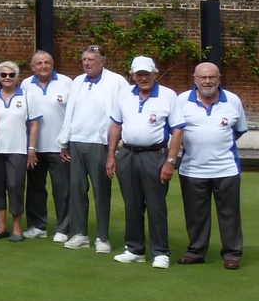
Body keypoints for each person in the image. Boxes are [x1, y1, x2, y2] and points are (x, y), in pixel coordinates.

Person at [106, 57, 179, 269]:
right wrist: (111, 155)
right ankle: (135, 249)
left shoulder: (167, 95)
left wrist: (170, 161)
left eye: (147, 73)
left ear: (155, 73)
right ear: (132, 75)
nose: (143, 78)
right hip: (127, 154)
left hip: (155, 154)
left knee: (156, 205)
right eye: (139, 74)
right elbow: (116, 127)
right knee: (132, 204)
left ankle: (161, 252)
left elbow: (178, 131)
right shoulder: (124, 95)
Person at [172, 62, 245, 270]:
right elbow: (175, 130)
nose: (207, 81)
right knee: (195, 214)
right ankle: (196, 251)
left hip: (226, 169)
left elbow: (239, 130)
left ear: (219, 78)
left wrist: (217, 144)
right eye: (203, 77)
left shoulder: (232, 100)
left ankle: (232, 254)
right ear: (194, 78)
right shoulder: (181, 100)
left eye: (211, 77)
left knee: (230, 214)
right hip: (192, 168)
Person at [58, 45, 126, 252]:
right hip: (77, 142)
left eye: (92, 59)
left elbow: (123, 112)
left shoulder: (117, 81)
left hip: (100, 143)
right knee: (77, 190)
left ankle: (103, 237)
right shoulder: (78, 81)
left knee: (101, 191)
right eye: (84, 59)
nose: (87, 63)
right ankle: (79, 234)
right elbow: (70, 113)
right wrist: (65, 142)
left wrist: (114, 149)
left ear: (102, 62)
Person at [20, 50, 73, 241]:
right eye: (39, 63)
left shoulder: (67, 83)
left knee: (62, 189)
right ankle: (37, 226)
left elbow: (72, 114)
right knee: (35, 190)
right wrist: (29, 148)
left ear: (53, 64)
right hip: (34, 148)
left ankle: (63, 229)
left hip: (60, 147)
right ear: (33, 67)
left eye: (47, 62)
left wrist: (67, 143)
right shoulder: (26, 84)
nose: (43, 66)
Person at [0, 61, 40, 242]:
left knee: (15, 187)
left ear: (17, 77)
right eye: (3, 75)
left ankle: (17, 227)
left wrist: (31, 149)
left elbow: (34, 124)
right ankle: (1, 227)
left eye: (11, 75)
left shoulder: (26, 96)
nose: (7, 78)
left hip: (18, 150)